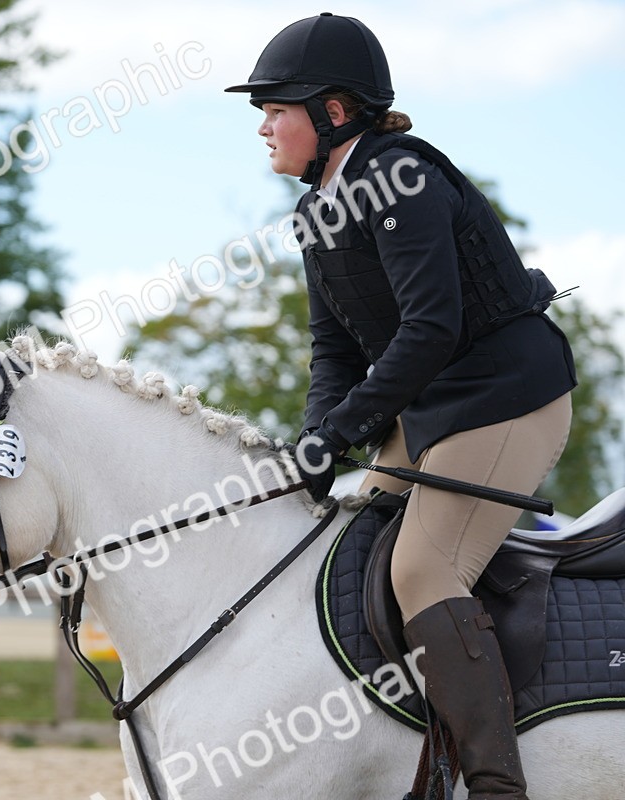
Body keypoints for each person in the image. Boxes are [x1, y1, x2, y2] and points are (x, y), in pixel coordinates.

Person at [226, 14, 575, 799]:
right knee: (349, 546)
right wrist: (316, 444)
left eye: (277, 107)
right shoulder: (317, 213)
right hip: (432, 406)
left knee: (421, 568)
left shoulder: (403, 176)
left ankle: (493, 784)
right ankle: (405, 745)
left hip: (506, 397)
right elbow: (334, 353)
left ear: (335, 113)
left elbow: (429, 328)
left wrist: (344, 433)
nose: (263, 126)